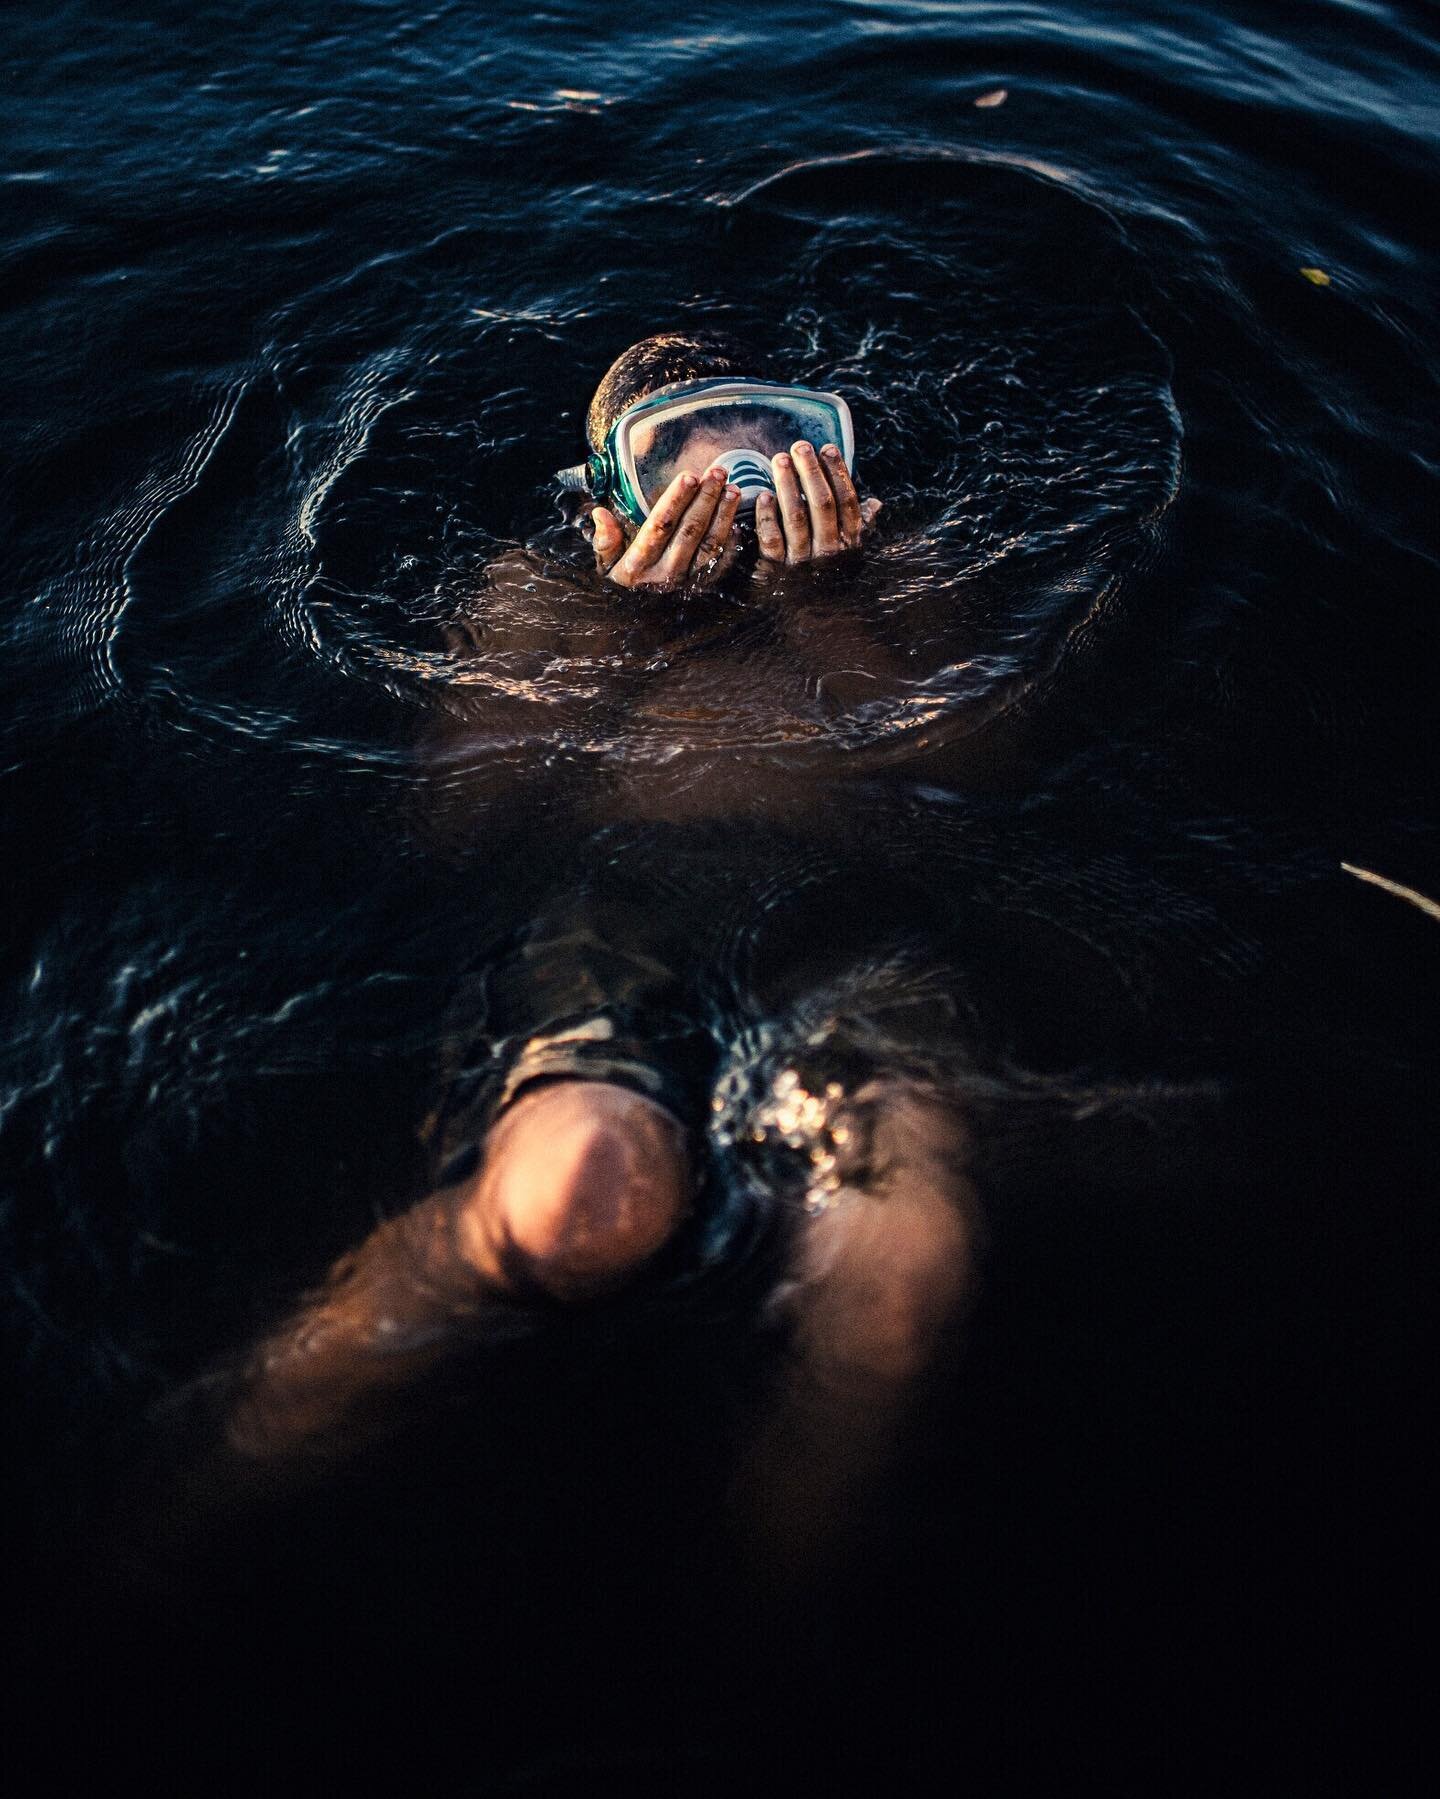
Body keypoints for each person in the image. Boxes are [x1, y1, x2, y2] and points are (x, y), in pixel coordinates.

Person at [211, 336, 973, 1567]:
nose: (734, 491)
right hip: (616, 914)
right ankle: (175, 1515)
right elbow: (455, 818)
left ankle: (782, 1611)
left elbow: (966, 783)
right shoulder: (538, 588)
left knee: (899, 1262)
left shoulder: (895, 571)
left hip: (831, 913)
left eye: (772, 449)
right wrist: (626, 628)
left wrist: (827, 609)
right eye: (679, 459)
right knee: (573, 1200)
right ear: (604, 495)